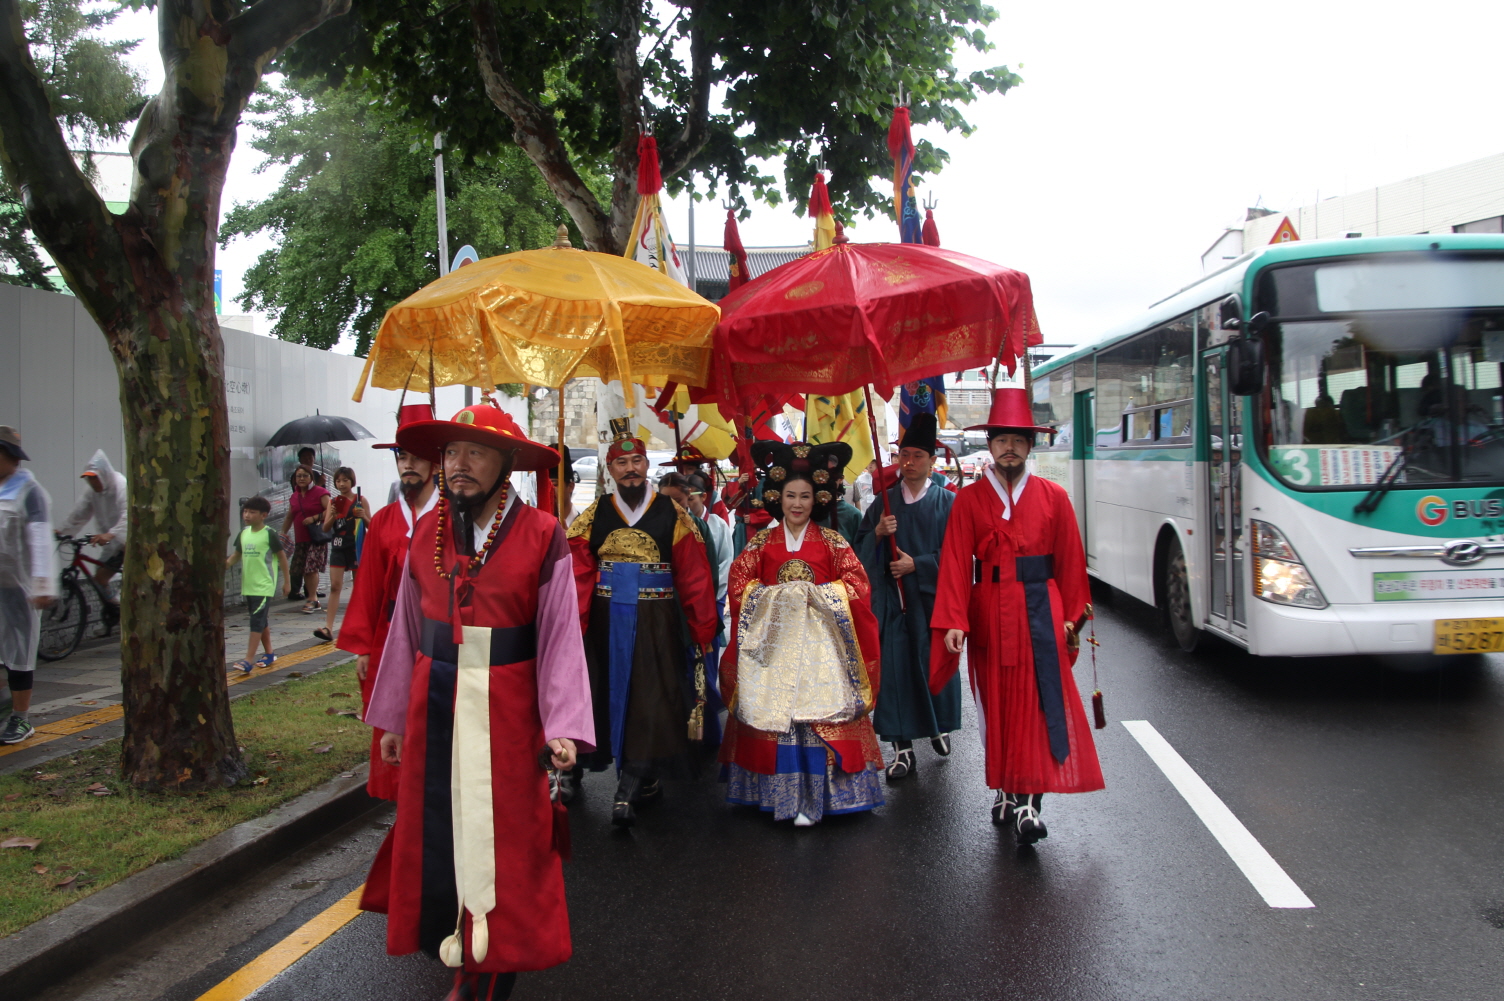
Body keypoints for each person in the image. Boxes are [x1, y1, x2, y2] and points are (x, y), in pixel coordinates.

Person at [361, 403, 593, 1001]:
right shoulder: (426, 535)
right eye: (451, 453)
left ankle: (491, 970)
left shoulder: (544, 536)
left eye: (476, 453)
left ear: (508, 464)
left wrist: (563, 724)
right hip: (432, 704)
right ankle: (454, 942)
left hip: (509, 713)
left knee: (505, 841)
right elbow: (404, 629)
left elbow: (562, 635)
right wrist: (391, 716)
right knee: (441, 833)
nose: (458, 466)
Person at [930, 388, 1104, 845]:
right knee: (997, 708)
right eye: (1001, 439)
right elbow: (953, 563)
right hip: (989, 614)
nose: (1009, 447)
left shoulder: (1054, 498)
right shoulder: (967, 501)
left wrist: (1071, 618)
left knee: (1038, 705)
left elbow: (1070, 562)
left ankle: (1030, 803)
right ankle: (1006, 787)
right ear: (990, 445)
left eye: (1018, 440)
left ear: (1031, 446)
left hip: (1040, 615)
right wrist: (954, 621)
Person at [719, 441, 885, 825]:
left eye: (805, 497)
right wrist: (773, 598)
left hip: (821, 649)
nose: (797, 504)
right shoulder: (761, 543)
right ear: (778, 498)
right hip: (774, 648)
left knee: (816, 715)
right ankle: (781, 796)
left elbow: (858, 588)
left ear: (817, 500)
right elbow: (739, 583)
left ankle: (820, 800)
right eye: (790, 496)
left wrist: (818, 595)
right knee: (779, 715)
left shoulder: (832, 542)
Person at [567, 428, 717, 826]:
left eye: (637, 462)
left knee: (651, 696)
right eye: (621, 463)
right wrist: (574, 624)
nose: (630, 470)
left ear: (647, 465)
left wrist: (702, 629)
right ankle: (588, 768)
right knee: (602, 691)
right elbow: (579, 571)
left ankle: (636, 778)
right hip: (603, 620)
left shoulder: (674, 513)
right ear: (609, 468)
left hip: (656, 620)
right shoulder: (593, 514)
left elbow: (695, 575)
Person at [337, 404, 437, 802]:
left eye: (416, 456)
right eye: (402, 456)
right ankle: (405, 807)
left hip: (440, 634)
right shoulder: (385, 521)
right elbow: (369, 587)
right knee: (395, 713)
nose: (407, 465)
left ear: (436, 461)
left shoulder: (453, 516)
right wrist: (363, 645)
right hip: (394, 634)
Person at [856, 413, 960, 780]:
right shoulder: (883, 504)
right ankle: (901, 750)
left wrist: (921, 565)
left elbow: (960, 557)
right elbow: (859, 550)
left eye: (917, 455)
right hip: (893, 604)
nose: (909, 462)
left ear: (933, 460)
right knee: (896, 674)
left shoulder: (947, 503)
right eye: (904, 455)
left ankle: (939, 726)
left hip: (932, 604)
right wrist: (879, 534)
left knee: (932, 668)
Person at [0, 427, 54, 746]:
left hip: (20, 588)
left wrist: (43, 582)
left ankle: (21, 718)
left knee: (19, 654)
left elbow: (40, 536)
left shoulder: (28, 490)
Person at [57, 449, 127, 621]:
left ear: (104, 474)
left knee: (105, 576)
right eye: (89, 478)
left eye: (95, 477)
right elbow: (80, 512)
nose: (92, 482)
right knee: (100, 577)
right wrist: (63, 531)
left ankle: (124, 609)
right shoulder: (92, 492)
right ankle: (117, 608)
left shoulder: (120, 484)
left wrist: (111, 535)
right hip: (111, 541)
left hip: (127, 541)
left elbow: (128, 514)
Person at [226, 496, 291, 674]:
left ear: (263, 515)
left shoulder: (269, 534)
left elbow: (282, 557)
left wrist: (287, 581)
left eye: (252, 512)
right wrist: (223, 565)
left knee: (256, 621)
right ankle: (269, 653)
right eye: (245, 511)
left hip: (264, 586)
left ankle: (248, 660)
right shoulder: (244, 533)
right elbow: (236, 555)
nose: (247, 515)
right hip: (249, 586)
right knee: (261, 621)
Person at [315, 467, 368, 643]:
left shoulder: (360, 500)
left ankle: (360, 625)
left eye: (345, 480)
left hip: (356, 546)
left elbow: (373, 525)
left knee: (358, 586)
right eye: (338, 481)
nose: (342, 484)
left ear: (352, 481)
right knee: (335, 586)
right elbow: (325, 528)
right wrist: (333, 515)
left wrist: (363, 516)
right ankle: (328, 627)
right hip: (338, 546)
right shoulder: (334, 501)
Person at [282, 464, 330, 612]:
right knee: (300, 569)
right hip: (300, 539)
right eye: (298, 476)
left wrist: (314, 518)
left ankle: (312, 599)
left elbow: (332, 510)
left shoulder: (320, 492)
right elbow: (290, 515)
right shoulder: (294, 496)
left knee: (311, 568)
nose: (301, 479)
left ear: (311, 478)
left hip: (316, 537)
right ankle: (312, 599)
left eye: (305, 475)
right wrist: (283, 532)